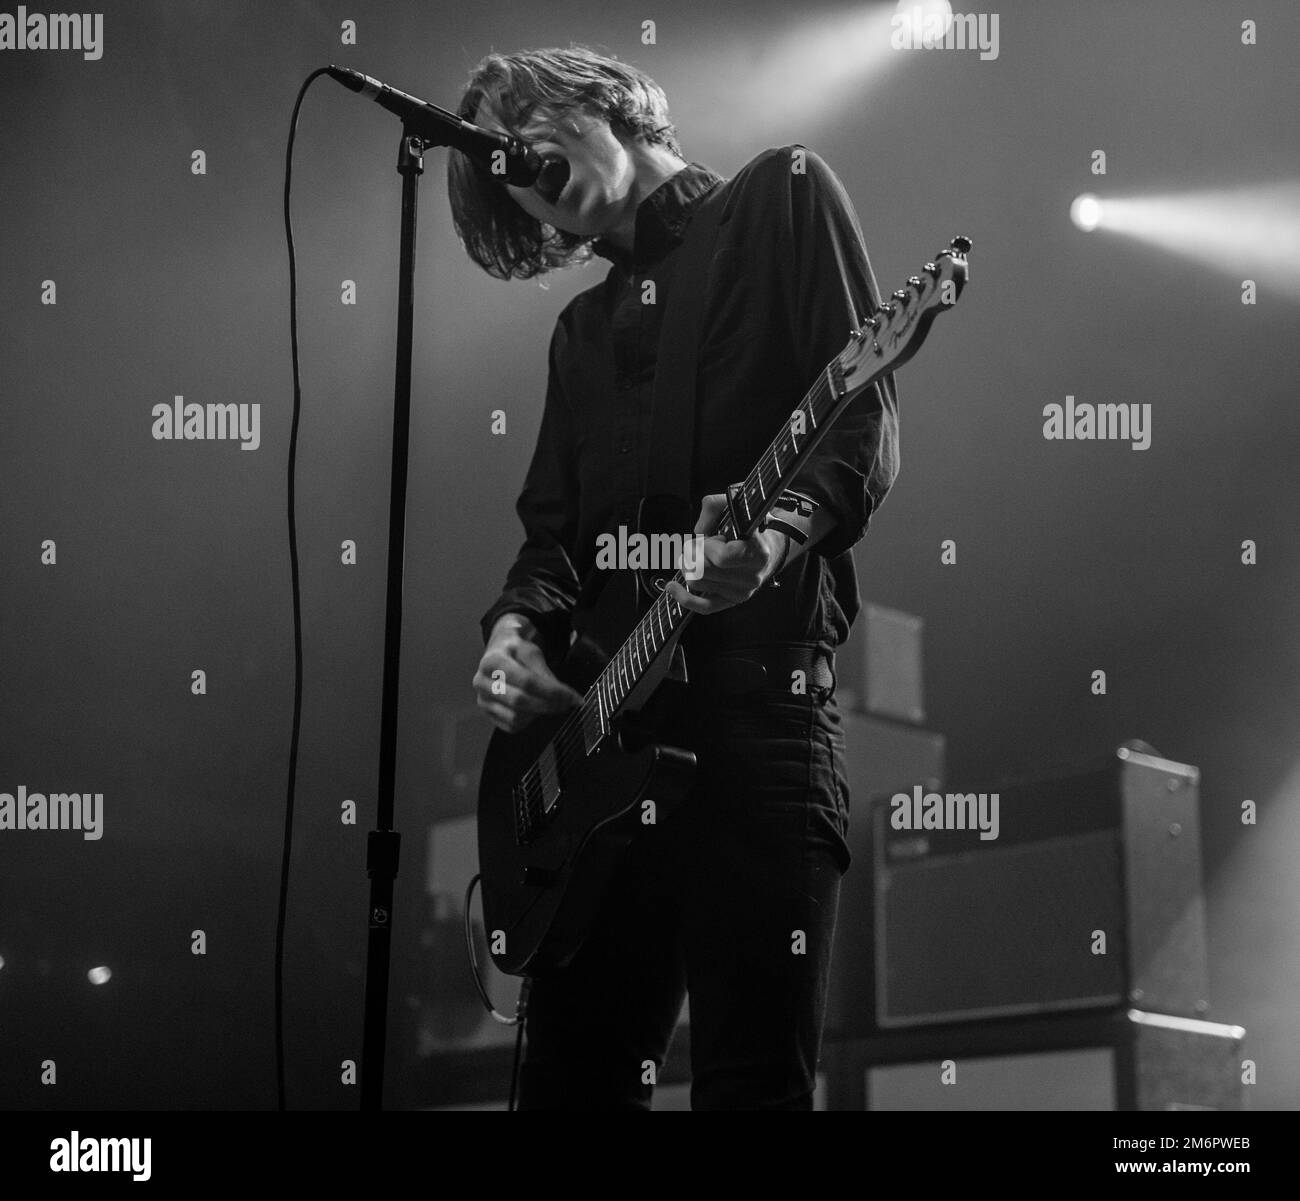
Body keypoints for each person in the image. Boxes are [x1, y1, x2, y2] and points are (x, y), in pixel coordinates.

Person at [451, 45, 899, 1110]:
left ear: (601, 101)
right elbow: (552, 539)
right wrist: (514, 631)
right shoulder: (581, 332)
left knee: (750, 1081)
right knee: (569, 1088)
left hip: (755, 717)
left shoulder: (777, 198)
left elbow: (861, 421)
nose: (516, 162)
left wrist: (778, 535)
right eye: (499, 165)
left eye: (523, 126)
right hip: (598, 759)